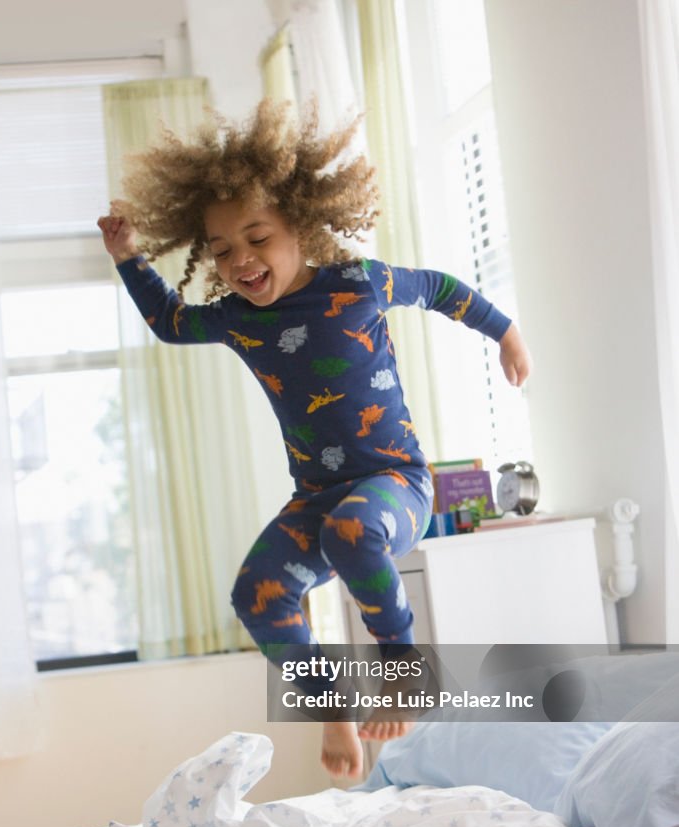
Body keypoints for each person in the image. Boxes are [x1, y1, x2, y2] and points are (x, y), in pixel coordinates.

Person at [98, 100, 532, 780]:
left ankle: (400, 669)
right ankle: (332, 707)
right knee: (258, 595)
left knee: (352, 533)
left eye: (257, 237)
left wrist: (504, 331)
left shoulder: (359, 283)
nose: (240, 259)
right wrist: (128, 257)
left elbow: (441, 290)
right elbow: (169, 321)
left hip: (395, 485)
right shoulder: (238, 319)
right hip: (316, 497)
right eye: (221, 250)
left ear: (298, 224)